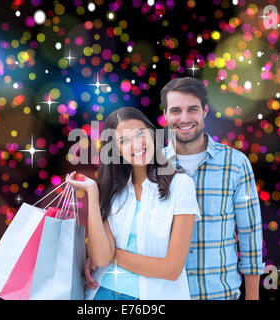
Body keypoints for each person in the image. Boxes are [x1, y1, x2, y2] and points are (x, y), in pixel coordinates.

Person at [84, 77, 265, 300]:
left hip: (217, 292)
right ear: (166, 115)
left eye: (193, 109)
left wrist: (253, 296)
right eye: (176, 110)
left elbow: (250, 234)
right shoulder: (146, 166)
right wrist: (93, 258)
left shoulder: (235, 164)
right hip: (164, 292)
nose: (185, 118)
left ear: (205, 111)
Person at [66, 106, 201, 300]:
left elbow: (171, 269)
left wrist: (113, 255)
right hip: (102, 294)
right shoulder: (111, 190)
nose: (136, 145)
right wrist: (94, 195)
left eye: (140, 134)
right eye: (124, 141)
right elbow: (100, 258)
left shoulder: (181, 186)